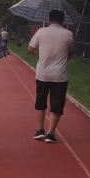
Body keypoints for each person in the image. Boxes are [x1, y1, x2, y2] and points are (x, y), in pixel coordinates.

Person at [28, 9, 74, 143]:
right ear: (63, 20)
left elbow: (30, 49)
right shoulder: (68, 34)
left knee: (40, 101)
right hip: (59, 75)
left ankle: (39, 129)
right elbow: (70, 53)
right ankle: (50, 133)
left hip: (42, 73)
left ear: (49, 19)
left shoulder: (41, 31)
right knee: (57, 104)